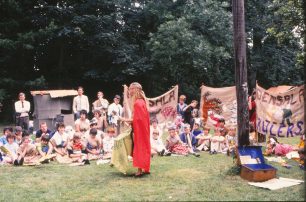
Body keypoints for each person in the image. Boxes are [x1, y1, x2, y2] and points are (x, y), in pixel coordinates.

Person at [119, 82, 150, 177]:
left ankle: (140, 171)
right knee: (144, 147)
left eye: (131, 89)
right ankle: (145, 169)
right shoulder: (141, 101)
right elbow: (137, 119)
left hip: (140, 130)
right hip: (143, 129)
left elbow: (137, 119)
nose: (130, 91)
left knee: (139, 147)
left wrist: (123, 119)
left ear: (136, 89)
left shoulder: (138, 103)